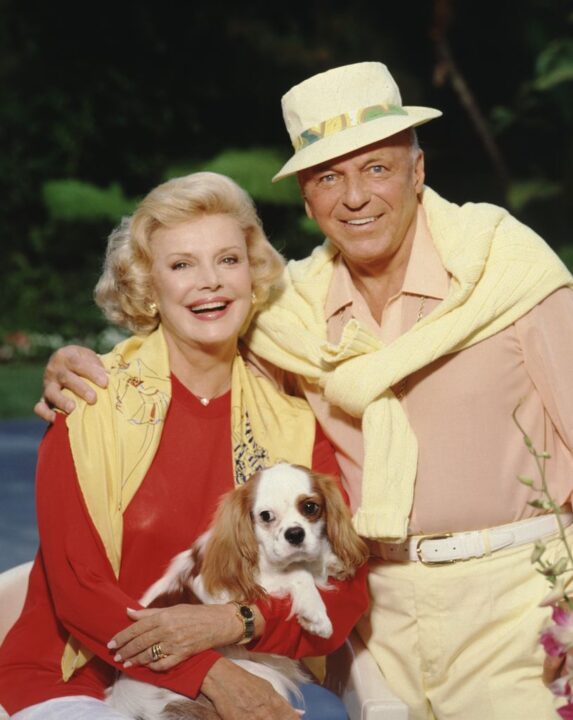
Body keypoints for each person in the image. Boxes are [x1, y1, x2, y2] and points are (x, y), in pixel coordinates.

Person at [37, 61, 573, 720]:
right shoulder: (287, 317)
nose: (354, 197)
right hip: (377, 623)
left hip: (518, 599)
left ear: (417, 170)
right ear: (306, 200)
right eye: (327, 177)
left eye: (376, 168)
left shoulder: (511, 278)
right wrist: (73, 366)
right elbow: (193, 332)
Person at [0, 171, 369, 720]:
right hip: (72, 677)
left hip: (231, 672)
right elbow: (79, 592)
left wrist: (238, 624)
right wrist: (210, 674)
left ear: (253, 274)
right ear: (148, 286)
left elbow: (344, 588)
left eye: (227, 260)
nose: (210, 282)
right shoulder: (88, 402)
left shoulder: (294, 419)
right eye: (181, 265)